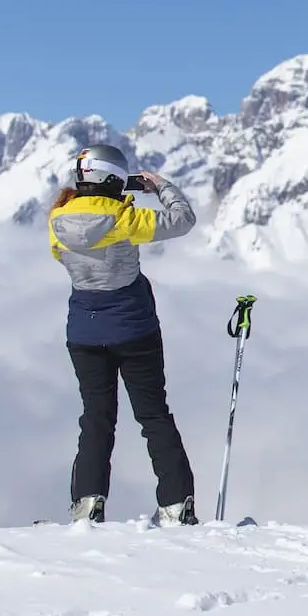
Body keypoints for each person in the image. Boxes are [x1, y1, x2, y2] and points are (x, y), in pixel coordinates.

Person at [49, 144, 200, 525]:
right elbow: (183, 220)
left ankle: (86, 502)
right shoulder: (124, 217)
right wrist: (161, 186)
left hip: (84, 333)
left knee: (96, 418)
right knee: (153, 415)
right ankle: (176, 503)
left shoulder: (57, 220)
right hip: (135, 329)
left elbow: (62, 253)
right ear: (114, 179)